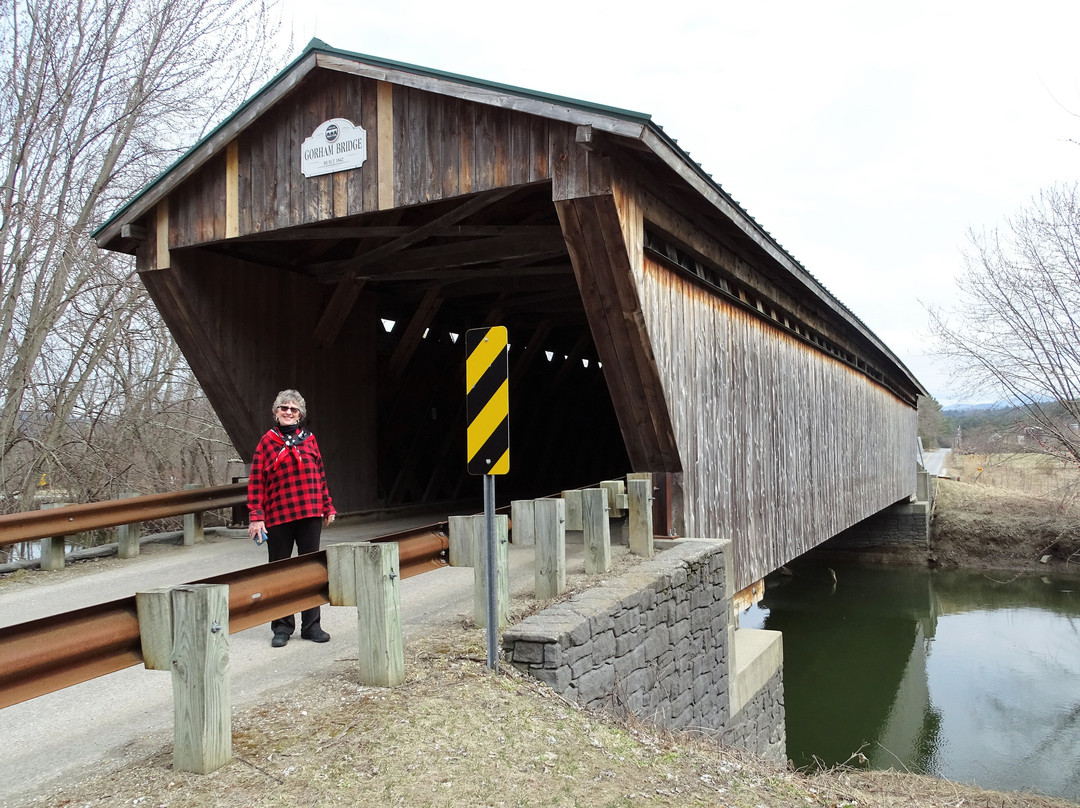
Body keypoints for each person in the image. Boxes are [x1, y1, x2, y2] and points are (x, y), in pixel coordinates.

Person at [247, 389, 337, 647]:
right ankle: (282, 627)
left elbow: (320, 475)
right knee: (280, 571)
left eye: (293, 409)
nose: (288, 412)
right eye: (284, 408)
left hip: (310, 512)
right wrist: (256, 516)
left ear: (300, 415)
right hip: (278, 515)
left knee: (311, 569)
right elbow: (256, 482)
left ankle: (312, 626)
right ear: (276, 412)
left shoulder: (310, 439)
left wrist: (328, 506)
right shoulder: (267, 442)